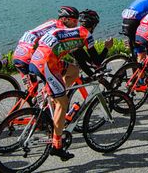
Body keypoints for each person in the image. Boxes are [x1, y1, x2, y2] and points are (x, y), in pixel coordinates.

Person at [29, 9, 113, 161]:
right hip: (47, 64)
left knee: (73, 71)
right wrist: (107, 48)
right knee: (63, 102)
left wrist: (91, 72)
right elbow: (95, 61)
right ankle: (57, 145)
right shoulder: (85, 35)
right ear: (93, 26)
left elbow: (81, 62)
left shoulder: (71, 32)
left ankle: (49, 95)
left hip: (37, 58)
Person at [12, 6, 77, 79]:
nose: (76, 24)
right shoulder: (62, 30)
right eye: (74, 21)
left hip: (19, 53)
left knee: (31, 88)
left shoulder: (52, 22)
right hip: (32, 57)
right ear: (64, 19)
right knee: (74, 71)